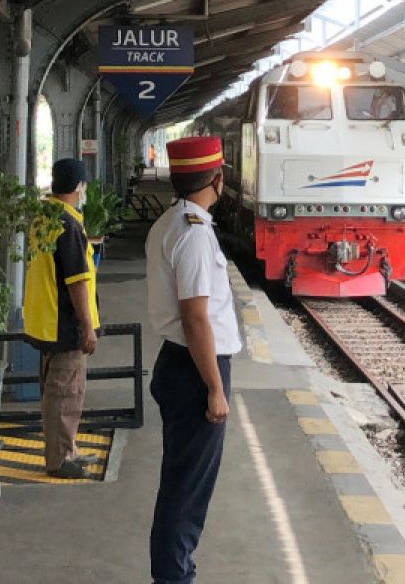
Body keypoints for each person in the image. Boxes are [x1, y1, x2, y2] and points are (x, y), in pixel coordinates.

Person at [145, 136, 241, 584]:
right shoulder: (195, 232)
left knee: (180, 485)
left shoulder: (170, 222)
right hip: (195, 370)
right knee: (186, 493)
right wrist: (216, 389)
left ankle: (176, 573)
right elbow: (196, 318)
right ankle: (175, 577)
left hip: (178, 363)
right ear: (217, 179)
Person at [22, 157, 101, 480]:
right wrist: (87, 326)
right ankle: (59, 460)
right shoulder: (68, 225)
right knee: (65, 393)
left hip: (45, 318)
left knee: (58, 391)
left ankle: (67, 450)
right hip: (64, 323)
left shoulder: (43, 216)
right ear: (79, 187)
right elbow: (77, 282)